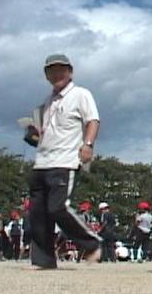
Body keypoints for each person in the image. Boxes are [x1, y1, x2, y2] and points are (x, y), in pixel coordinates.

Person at [25, 53, 102, 269]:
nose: (56, 74)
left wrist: (88, 144)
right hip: (41, 160)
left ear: (70, 71)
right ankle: (44, 259)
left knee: (58, 207)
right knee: (38, 213)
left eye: (61, 69)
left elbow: (93, 120)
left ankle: (92, 243)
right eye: (52, 70)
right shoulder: (47, 102)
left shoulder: (80, 94)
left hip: (65, 160)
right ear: (46, 74)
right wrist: (33, 133)